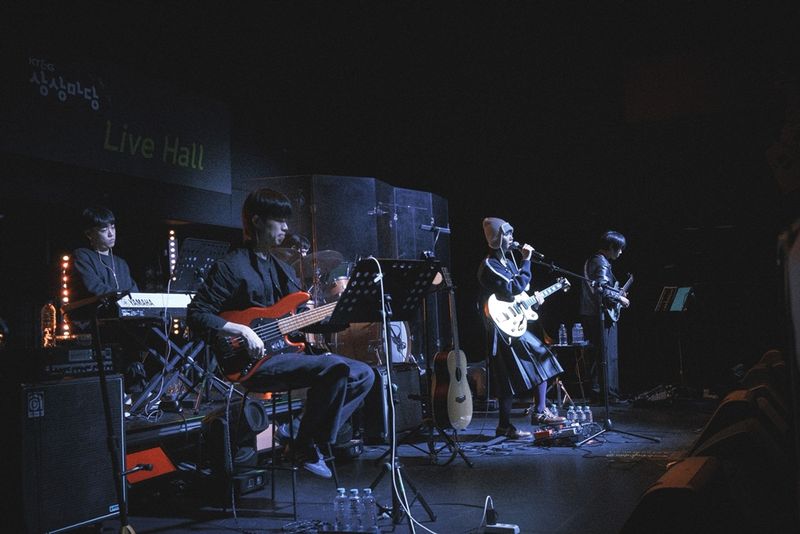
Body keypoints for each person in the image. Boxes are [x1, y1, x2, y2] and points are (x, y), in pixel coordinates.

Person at [186, 188, 374, 478]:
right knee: (335, 368)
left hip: (285, 353)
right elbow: (197, 314)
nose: (286, 227)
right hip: (251, 362)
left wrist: (341, 313)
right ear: (257, 221)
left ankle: (298, 434)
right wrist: (243, 331)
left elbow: (300, 321)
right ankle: (305, 445)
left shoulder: (283, 269)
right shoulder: (230, 267)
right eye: (279, 220)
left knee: (365, 374)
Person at [477, 217, 566, 439]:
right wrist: (527, 261)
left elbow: (518, 293)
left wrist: (533, 302)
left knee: (542, 357)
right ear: (496, 238)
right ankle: (507, 425)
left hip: (513, 322)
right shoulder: (490, 265)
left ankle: (538, 412)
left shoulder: (508, 262)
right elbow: (513, 287)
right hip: (500, 327)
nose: (512, 238)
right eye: (507, 234)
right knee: (506, 378)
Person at [72, 206, 146, 395]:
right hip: (99, 323)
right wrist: (120, 296)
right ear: (89, 233)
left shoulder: (121, 263)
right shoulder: (83, 255)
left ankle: (142, 390)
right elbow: (94, 287)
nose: (111, 233)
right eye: (104, 229)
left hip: (126, 324)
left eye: (113, 227)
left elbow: (134, 292)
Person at [579, 230, 631, 402]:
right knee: (607, 356)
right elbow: (602, 289)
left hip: (590, 313)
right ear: (610, 247)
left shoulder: (593, 260)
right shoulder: (601, 262)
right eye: (619, 248)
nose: (621, 252)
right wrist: (620, 298)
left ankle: (598, 393)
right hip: (599, 315)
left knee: (597, 356)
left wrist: (617, 293)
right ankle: (608, 395)